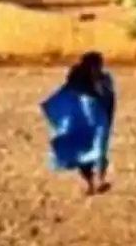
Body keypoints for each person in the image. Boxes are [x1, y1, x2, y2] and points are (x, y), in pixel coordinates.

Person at [39, 51, 116, 195]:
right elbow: (69, 95)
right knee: (83, 152)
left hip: (96, 120)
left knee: (100, 149)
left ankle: (99, 181)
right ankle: (92, 183)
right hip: (81, 120)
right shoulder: (79, 78)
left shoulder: (104, 79)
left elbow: (110, 100)